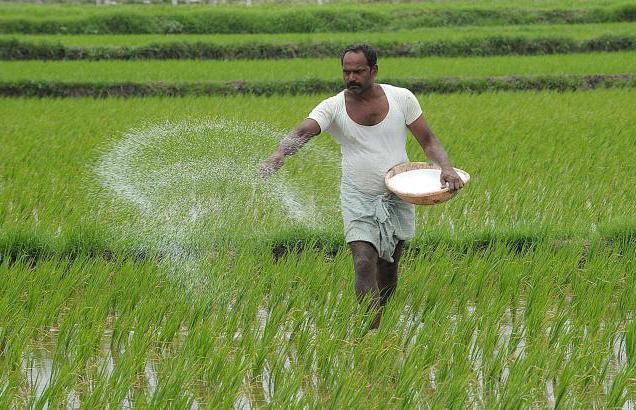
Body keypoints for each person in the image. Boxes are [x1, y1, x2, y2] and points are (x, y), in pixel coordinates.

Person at [260, 43, 464, 329]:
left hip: (398, 193)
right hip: (358, 194)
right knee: (363, 260)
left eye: (358, 71)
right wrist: (279, 153)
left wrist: (446, 168)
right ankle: (371, 330)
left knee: (388, 266)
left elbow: (428, 140)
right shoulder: (333, 106)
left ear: (373, 70)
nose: (351, 78)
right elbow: (304, 130)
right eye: (346, 72)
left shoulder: (401, 98)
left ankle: (380, 318)